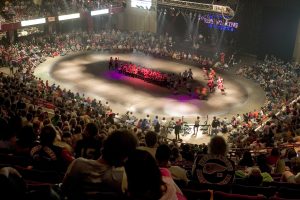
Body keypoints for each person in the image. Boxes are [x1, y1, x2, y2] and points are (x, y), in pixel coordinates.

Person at [62, 130, 138, 200]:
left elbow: (64, 190)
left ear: (106, 143)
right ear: (124, 156)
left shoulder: (78, 164)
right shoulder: (122, 178)